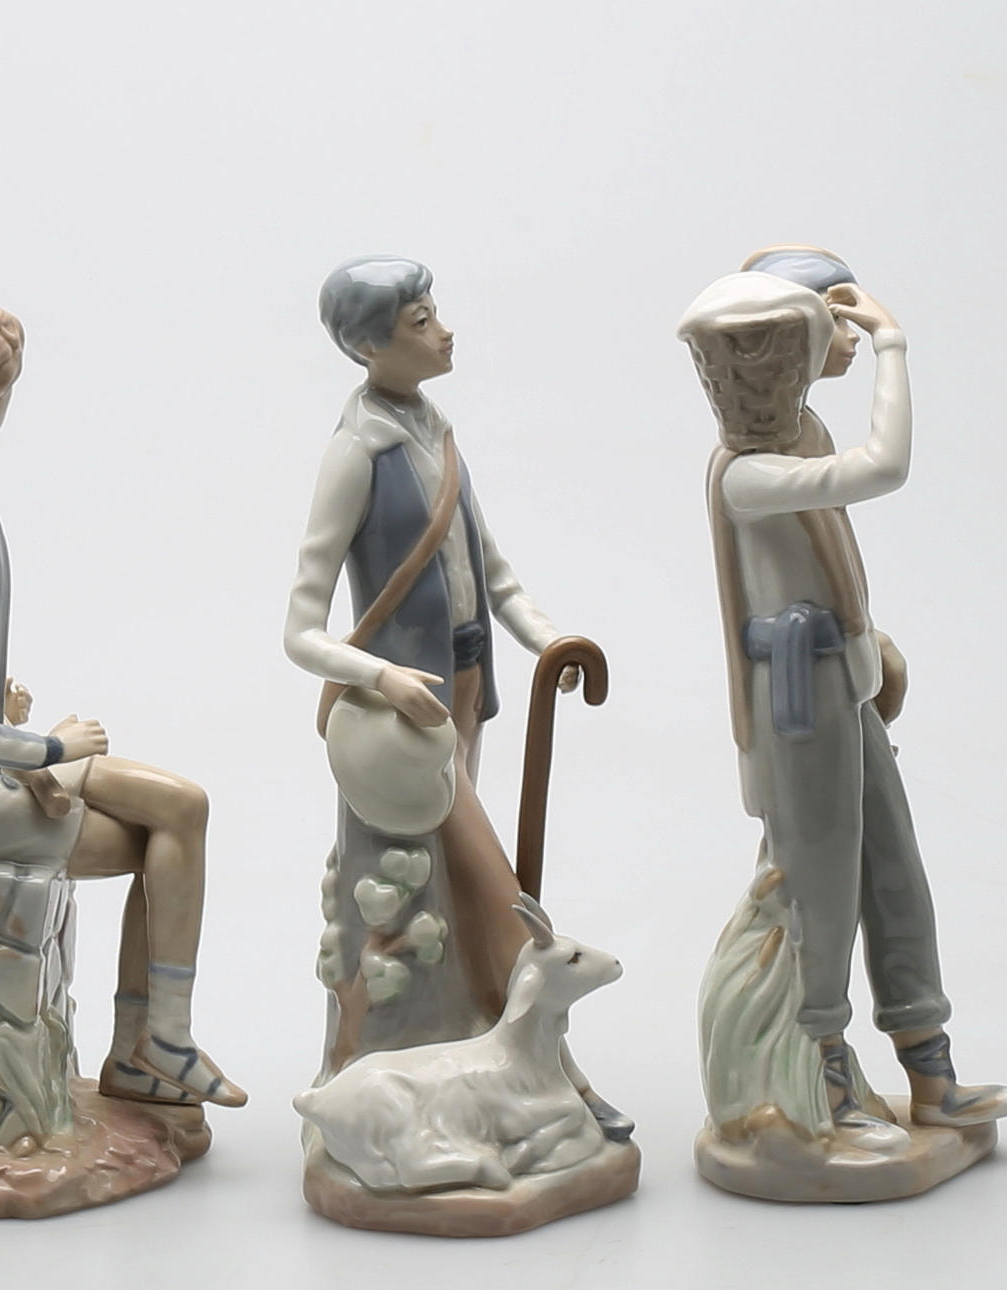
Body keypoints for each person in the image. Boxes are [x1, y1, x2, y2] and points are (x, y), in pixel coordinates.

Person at [0, 295, 245, 1109]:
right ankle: (152, 1044)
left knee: (183, 804)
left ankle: (157, 1045)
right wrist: (51, 748)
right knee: (157, 835)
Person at [679, 252, 1007, 1142]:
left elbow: (828, 554)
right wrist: (893, 345)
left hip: (842, 677)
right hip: (799, 700)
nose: (848, 334)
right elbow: (884, 468)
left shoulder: (802, 435)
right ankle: (823, 1088)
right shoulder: (746, 473)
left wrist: (869, 644)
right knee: (823, 891)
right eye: (831, 318)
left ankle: (932, 1073)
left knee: (895, 872)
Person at [285, 256, 629, 1138]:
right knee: (489, 881)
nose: (444, 332)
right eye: (421, 322)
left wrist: (548, 639)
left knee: (458, 892)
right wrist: (385, 679)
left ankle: (483, 1057)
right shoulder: (356, 453)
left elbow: (494, 574)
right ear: (369, 345)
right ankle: (552, 1072)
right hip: (408, 721)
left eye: (436, 314)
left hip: (466, 690)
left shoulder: (436, 432)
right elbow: (301, 630)